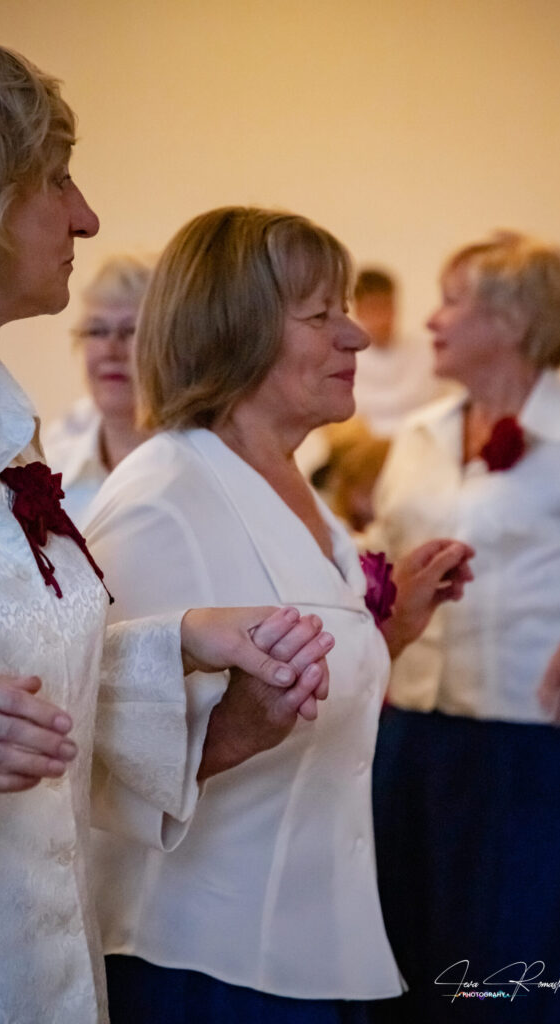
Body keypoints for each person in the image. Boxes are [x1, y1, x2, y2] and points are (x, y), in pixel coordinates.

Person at [0, 34, 332, 1023]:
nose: (86, 215)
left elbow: (19, 672)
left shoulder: (3, 431)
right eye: (55, 179)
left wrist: (185, 650)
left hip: (48, 974)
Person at [85, 206, 474, 1024]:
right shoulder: (162, 497)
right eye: (322, 314)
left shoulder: (295, 487)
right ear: (236, 330)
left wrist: (391, 632)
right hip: (205, 960)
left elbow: (302, 685)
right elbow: (95, 747)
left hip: (316, 947)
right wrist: (230, 732)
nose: (357, 336)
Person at [367, 231, 560, 1023]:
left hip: (538, 747)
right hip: (414, 734)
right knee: (418, 952)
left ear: (512, 320)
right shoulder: (417, 437)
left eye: (451, 301)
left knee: (514, 966)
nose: (429, 321)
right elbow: (383, 558)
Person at [44, 254, 155, 524]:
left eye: (131, 331)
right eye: (97, 331)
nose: (110, 350)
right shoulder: (51, 465)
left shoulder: (200, 458)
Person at [352, 267, 445, 437]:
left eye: (387, 307)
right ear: (358, 311)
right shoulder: (347, 359)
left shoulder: (424, 350)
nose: (383, 319)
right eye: (373, 309)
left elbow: (431, 401)